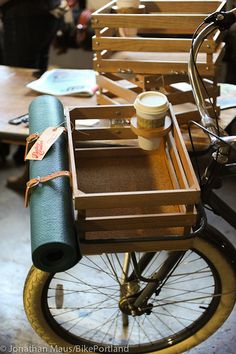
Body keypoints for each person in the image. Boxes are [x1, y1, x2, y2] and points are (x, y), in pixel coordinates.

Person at [0, 0, 68, 187]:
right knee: (35, 89)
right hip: (46, 12)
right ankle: (32, 166)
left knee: (20, 88)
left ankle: (29, 167)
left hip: (25, 14)